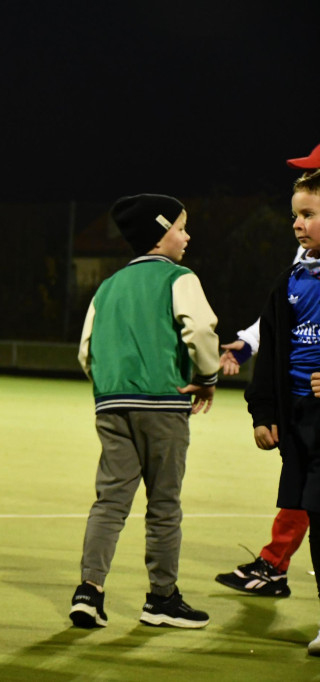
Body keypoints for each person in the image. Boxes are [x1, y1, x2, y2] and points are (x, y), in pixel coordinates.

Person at [69, 194, 219, 630]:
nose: (187, 236)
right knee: (164, 505)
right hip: (162, 404)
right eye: (180, 226)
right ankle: (161, 598)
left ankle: (89, 590)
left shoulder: (107, 286)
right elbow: (200, 328)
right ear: (159, 233)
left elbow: (86, 351)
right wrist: (206, 377)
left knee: (110, 502)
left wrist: (111, 387)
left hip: (112, 405)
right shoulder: (180, 278)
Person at [215, 145, 320, 598]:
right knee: (302, 495)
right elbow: (282, 320)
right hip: (300, 407)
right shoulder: (299, 266)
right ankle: (274, 565)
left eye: (308, 212)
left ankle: (274, 564)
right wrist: (250, 341)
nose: (297, 223)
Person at [245, 168, 320, 655]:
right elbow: (271, 348)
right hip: (299, 423)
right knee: (314, 514)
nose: (297, 224)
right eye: (295, 215)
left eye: (309, 214)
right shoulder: (291, 280)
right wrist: (264, 412)